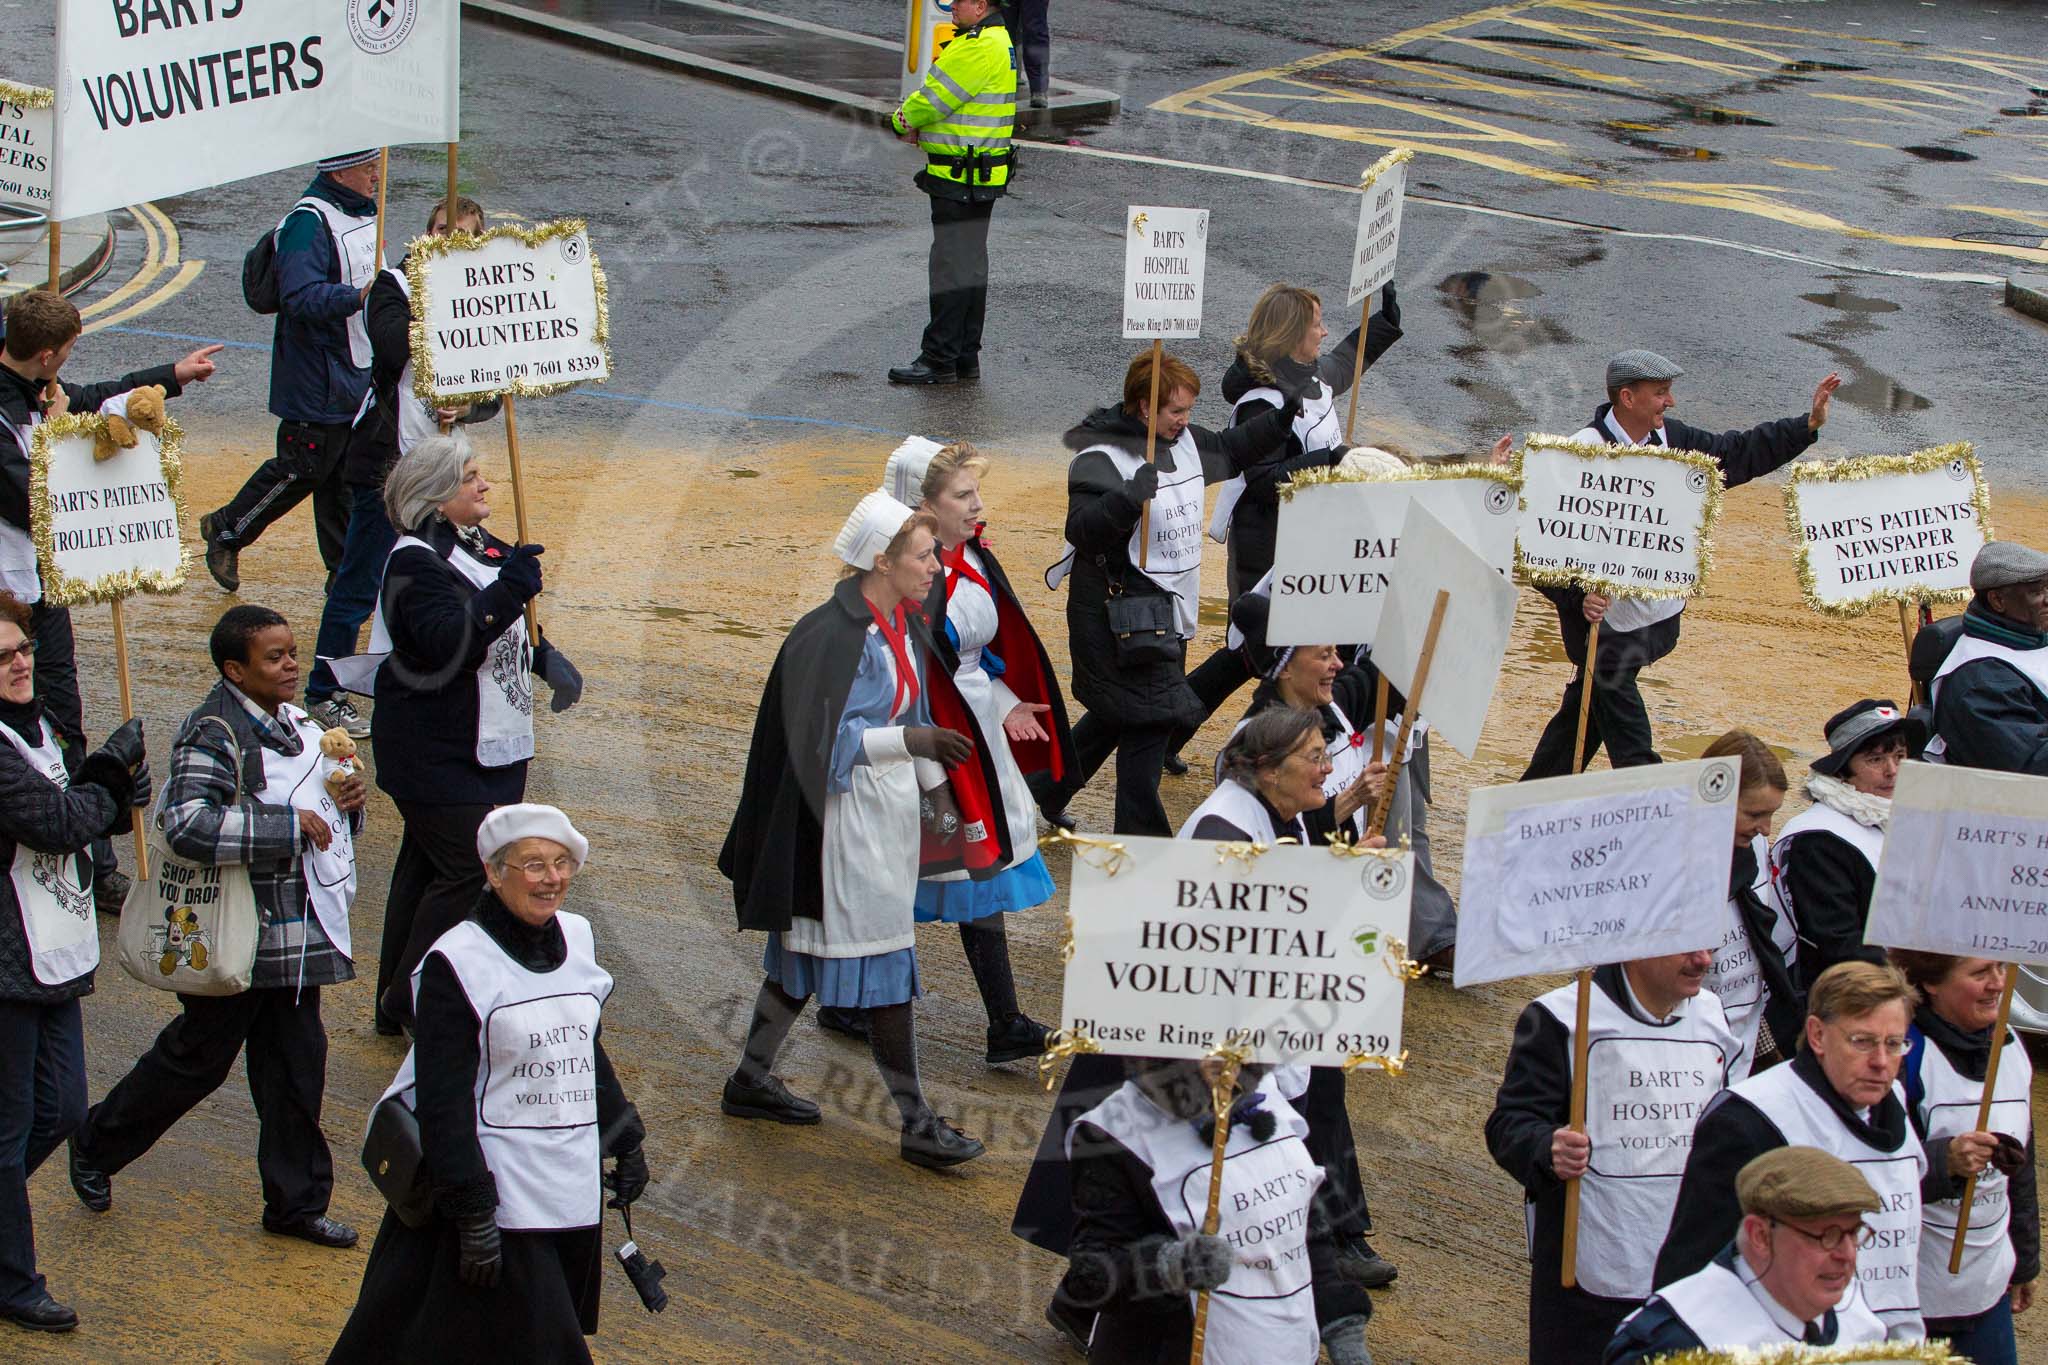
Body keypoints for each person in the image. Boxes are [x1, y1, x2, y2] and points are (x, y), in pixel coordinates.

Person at [1018, 710, 1382, 1358]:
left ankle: (1092, 1305)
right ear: (1269, 770)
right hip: (1184, 1059)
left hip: (1229, 1055)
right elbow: (1219, 947)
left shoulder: (1272, 807)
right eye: (1316, 757)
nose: (1329, 767)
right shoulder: (1221, 831)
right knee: (1151, 1200)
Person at [720, 491, 1007, 1168]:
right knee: (884, 967)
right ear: (881, 559)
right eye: (922, 553)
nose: (936, 564)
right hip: (842, 827)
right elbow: (826, 740)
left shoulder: (895, 625)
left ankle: (750, 1079)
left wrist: (937, 794)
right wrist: (911, 740)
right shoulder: (835, 635)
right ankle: (916, 1122)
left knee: (802, 961)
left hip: (880, 818)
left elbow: (915, 712)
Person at [68, 606, 364, 1250]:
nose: (291, 665)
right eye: (274, 657)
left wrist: (345, 808)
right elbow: (186, 824)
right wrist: (289, 828)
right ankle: (94, 1144)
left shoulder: (299, 722)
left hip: (291, 934)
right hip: (235, 932)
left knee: (295, 1069)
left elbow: (321, 815)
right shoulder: (214, 731)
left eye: (292, 652)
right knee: (196, 1061)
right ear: (236, 669)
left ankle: (295, 1205)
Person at [328, 805, 649, 1365]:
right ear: (494, 873)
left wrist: (625, 1140)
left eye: (560, 863)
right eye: (532, 865)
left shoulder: (578, 938)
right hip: (498, 1200)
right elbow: (443, 1101)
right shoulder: (459, 962)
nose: (551, 878)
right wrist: (473, 1212)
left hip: (564, 1190)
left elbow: (582, 1051)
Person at [353, 432, 582, 1033]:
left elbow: (507, 626)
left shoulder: (475, 547)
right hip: (435, 751)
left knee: (426, 869)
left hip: (485, 746)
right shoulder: (412, 560)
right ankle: (410, 998)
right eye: (468, 477)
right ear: (433, 497)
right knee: (467, 869)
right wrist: (512, 589)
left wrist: (544, 657)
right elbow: (448, 642)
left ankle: (391, 999)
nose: (483, 484)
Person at [1522, 351, 1841, 778]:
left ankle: (1542, 793)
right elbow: (1540, 549)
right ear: (1627, 398)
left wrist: (1806, 426)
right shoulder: (1578, 454)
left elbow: (1737, 453)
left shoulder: (1675, 440)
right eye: (1661, 393)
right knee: (1602, 694)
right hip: (1600, 626)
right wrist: (1577, 598)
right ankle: (1643, 786)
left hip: (1655, 621)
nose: (1670, 402)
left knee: (1596, 698)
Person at [1, 288, 218, 910]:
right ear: (45, 355)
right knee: (25, 723)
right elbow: (39, 502)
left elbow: (90, 395)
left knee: (65, 723)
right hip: (9, 596)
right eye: (66, 352)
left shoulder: (34, 386)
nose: (69, 362)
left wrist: (167, 379)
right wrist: (71, 433)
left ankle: (89, 851)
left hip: (41, 592)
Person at [1037, 348, 1297, 834]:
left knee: (1118, 716)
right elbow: (1083, 530)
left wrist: (1279, 423)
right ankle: (1144, 846)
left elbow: (1230, 448)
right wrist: (1128, 495)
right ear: (1142, 407)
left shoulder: (1184, 441)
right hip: (1118, 619)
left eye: (1189, 411)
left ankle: (1048, 787)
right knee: (1149, 727)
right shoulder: (1100, 458)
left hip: (1162, 615)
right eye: (1176, 411)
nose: (1185, 420)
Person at [875, 440, 1072, 1063]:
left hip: (973, 732)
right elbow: (904, 680)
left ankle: (1003, 1021)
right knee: (892, 876)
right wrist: (931, 773)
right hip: (928, 740)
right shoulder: (909, 580)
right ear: (922, 506)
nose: (978, 505)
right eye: (962, 495)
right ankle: (845, 1000)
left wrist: (1008, 698)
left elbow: (979, 652)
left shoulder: (970, 557)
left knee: (973, 870)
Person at [0, 590, 144, 1333]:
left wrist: (121, 793)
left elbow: (80, 802)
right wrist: (109, 783)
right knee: (9, 1121)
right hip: (6, 957)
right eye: (3, 657)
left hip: (47, 948)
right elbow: (57, 820)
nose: (21, 662)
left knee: (60, 1109)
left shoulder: (41, 726)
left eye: (23, 648)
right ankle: (14, 1280)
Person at [304, 194, 500, 740]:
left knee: (451, 574)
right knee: (359, 582)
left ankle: (431, 675)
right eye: (440, 232)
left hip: (447, 469)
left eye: (462, 236)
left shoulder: (484, 293)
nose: (448, 243)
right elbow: (391, 349)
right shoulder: (395, 285)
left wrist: (466, 405)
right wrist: (443, 298)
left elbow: (495, 395)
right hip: (387, 465)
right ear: (426, 233)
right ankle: (324, 691)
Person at [1486, 950, 1739, 1364]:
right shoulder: (1562, 1017)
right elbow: (1509, 1122)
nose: (1704, 960)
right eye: (1687, 947)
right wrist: (1547, 1147)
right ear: (1638, 948)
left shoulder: (1712, 1015)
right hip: (1591, 1281)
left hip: (1688, 1278)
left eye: (1709, 944)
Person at [1655, 961, 1929, 1340]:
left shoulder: (1892, 1100)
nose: (1881, 1062)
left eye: (1894, 1044)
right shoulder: (1749, 1120)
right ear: (1817, 1034)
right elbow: (1690, 1270)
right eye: (1862, 1041)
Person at [1063, 1054, 1374, 1364]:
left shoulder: (1265, 1093)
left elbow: (1302, 1228)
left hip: (1285, 1348)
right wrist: (1169, 1267)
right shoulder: (1116, 1130)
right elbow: (1091, 1275)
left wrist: (1342, 1325)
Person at [1221, 589, 1454, 971]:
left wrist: (1426, 614)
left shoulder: (1333, 705)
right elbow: (1274, 843)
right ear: (1287, 667)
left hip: (1335, 910)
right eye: (1324, 655)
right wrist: (1351, 800)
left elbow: (1383, 678)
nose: (1337, 664)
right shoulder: (1251, 750)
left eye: (1336, 652)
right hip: (1281, 930)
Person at [199, 150, 382, 592]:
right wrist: (358, 298)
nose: (378, 175)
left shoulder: (361, 212)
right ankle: (227, 528)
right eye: (368, 167)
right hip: (315, 376)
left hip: (351, 370)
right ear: (340, 171)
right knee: (303, 466)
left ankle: (343, 574)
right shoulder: (307, 222)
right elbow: (300, 297)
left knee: (341, 475)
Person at [1891, 950, 2038, 1365]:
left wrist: (2024, 1263)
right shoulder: (1902, 1055)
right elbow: (1870, 1178)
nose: (1998, 982)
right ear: (1933, 983)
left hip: (1987, 1287)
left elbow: (2021, 1169)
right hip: (1915, 1299)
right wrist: (1944, 1162)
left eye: (2001, 968)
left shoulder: (2009, 1047)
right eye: (1980, 972)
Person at [1606, 1146, 1889, 1360]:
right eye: (1827, 1237)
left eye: (1853, 1233)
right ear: (1761, 1236)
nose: (1847, 1254)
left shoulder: (1855, 1314)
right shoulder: (1680, 1343)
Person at [884, 0, 1016, 386]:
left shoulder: (976, 45)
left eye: (959, 0)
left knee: (950, 268)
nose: (952, 5)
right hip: (979, 176)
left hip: (959, 177)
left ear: (980, 5)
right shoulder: (998, 40)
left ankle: (938, 358)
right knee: (970, 267)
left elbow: (933, 99)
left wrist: (900, 121)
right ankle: (963, 356)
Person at [1770, 699, 1921, 990]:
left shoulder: (1897, 819)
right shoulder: (1816, 839)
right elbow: (1840, 948)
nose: (1892, 771)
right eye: (1876, 759)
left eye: (1900, 757)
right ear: (1842, 769)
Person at [1698, 729, 1801, 1078]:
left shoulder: (1752, 848)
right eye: (1755, 814)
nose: (1767, 828)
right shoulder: (1670, 857)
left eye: (1771, 814)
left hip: (1742, 1034)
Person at [1927, 540, 2048, 775]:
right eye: (2036, 592)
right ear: (1998, 601)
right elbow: (2031, 764)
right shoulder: (1980, 682)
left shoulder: (2032, 637)